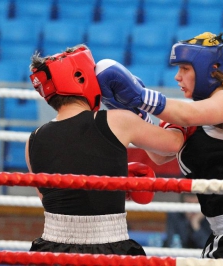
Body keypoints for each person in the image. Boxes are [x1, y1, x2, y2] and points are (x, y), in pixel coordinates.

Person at [96, 32, 223, 260]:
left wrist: (138, 95)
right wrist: (135, 114)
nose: (177, 77)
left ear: (210, 69)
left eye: (185, 69)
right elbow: (160, 154)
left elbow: (187, 114)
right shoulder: (192, 114)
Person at [24, 44, 185, 256]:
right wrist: (144, 105)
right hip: (108, 248)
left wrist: (109, 177)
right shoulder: (117, 120)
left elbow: (52, 199)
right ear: (81, 77)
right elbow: (174, 144)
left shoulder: (32, 140)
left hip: (51, 252)